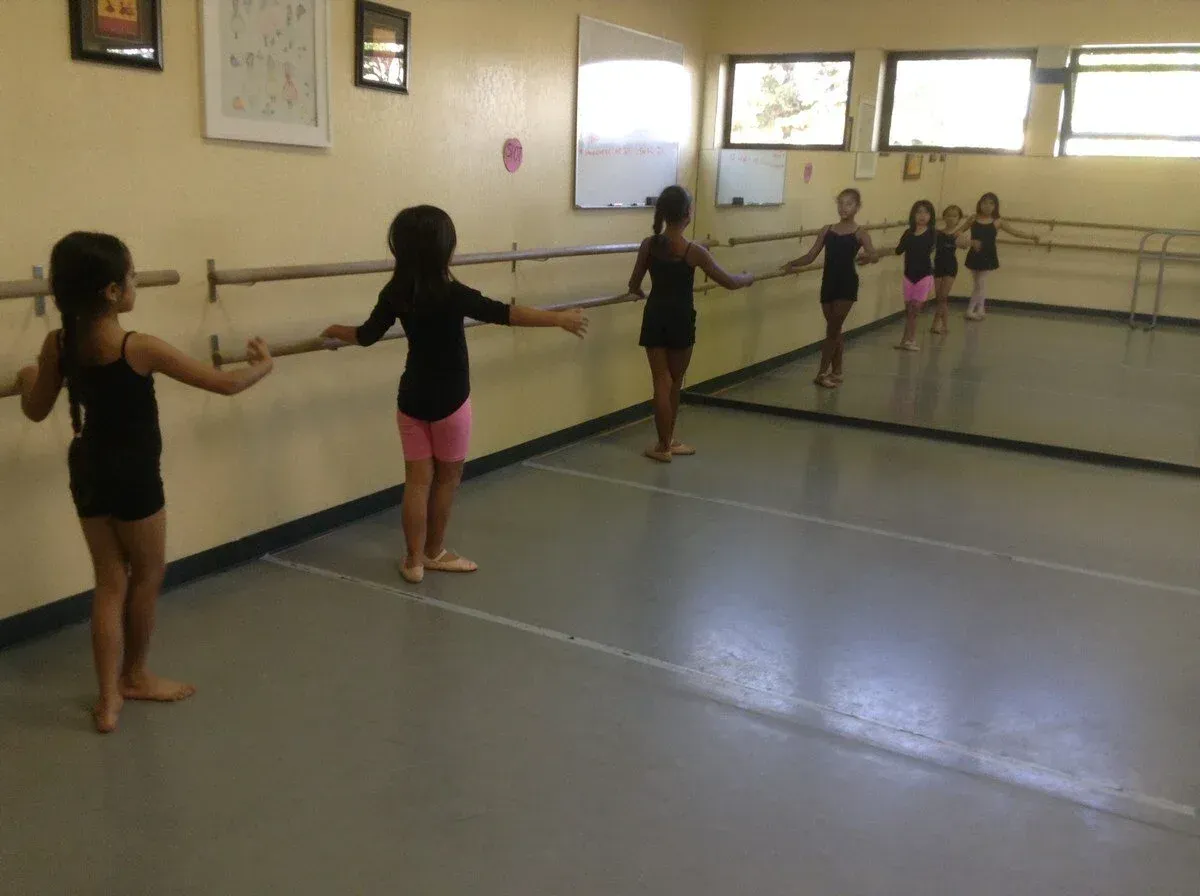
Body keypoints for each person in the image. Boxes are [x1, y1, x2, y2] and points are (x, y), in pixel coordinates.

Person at [17, 231, 274, 734]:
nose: (136, 283)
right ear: (113, 291)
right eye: (132, 277)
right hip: (134, 476)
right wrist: (263, 365)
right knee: (147, 574)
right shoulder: (138, 347)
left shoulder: (59, 344)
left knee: (108, 581)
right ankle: (134, 675)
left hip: (87, 468)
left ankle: (108, 700)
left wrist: (29, 376)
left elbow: (35, 408)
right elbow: (225, 384)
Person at [321, 206, 588, 584]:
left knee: (417, 482)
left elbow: (366, 336)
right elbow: (505, 313)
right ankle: (434, 552)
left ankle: (413, 562)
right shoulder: (453, 294)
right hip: (451, 400)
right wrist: (558, 319)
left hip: (412, 398)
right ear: (444, 249)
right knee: (446, 479)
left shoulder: (395, 293)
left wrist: (335, 329)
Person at [627, 185, 753, 463]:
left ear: (664, 213)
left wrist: (639, 293)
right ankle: (667, 443)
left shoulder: (649, 245)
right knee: (674, 383)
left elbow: (634, 284)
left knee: (661, 381)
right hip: (681, 318)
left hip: (655, 315)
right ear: (687, 215)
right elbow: (730, 282)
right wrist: (748, 277)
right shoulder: (693, 251)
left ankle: (664, 445)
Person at [783, 188, 879, 388]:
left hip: (847, 285)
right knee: (835, 329)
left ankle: (821, 373)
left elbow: (874, 254)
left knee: (832, 329)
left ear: (857, 207)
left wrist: (868, 257)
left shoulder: (860, 233)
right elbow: (811, 256)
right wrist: (792, 264)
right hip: (828, 284)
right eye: (840, 203)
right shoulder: (827, 230)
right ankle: (837, 370)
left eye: (849, 204)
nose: (844, 208)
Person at [958, 192, 1040, 321]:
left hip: (988, 255)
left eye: (991, 203)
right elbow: (959, 231)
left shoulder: (998, 221)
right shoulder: (973, 218)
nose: (987, 206)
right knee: (978, 284)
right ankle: (981, 309)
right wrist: (968, 241)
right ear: (980, 204)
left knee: (980, 282)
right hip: (974, 254)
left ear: (995, 206)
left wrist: (1031, 236)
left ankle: (971, 310)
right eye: (985, 203)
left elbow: (1015, 232)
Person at [894, 199, 937, 351]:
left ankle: (911, 339)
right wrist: (876, 253)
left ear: (931, 216)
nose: (922, 216)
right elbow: (898, 250)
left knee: (914, 310)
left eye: (926, 212)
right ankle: (904, 340)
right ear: (913, 215)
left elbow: (949, 241)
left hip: (924, 276)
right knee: (909, 311)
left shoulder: (933, 233)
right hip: (908, 276)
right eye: (919, 212)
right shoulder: (908, 233)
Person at [931, 204, 973, 335]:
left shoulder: (958, 234)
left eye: (954, 216)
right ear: (944, 217)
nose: (951, 218)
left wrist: (965, 241)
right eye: (948, 215)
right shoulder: (938, 233)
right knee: (939, 297)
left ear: (958, 219)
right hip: (938, 265)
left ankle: (937, 323)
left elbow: (964, 245)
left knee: (943, 296)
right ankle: (943, 325)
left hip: (950, 266)